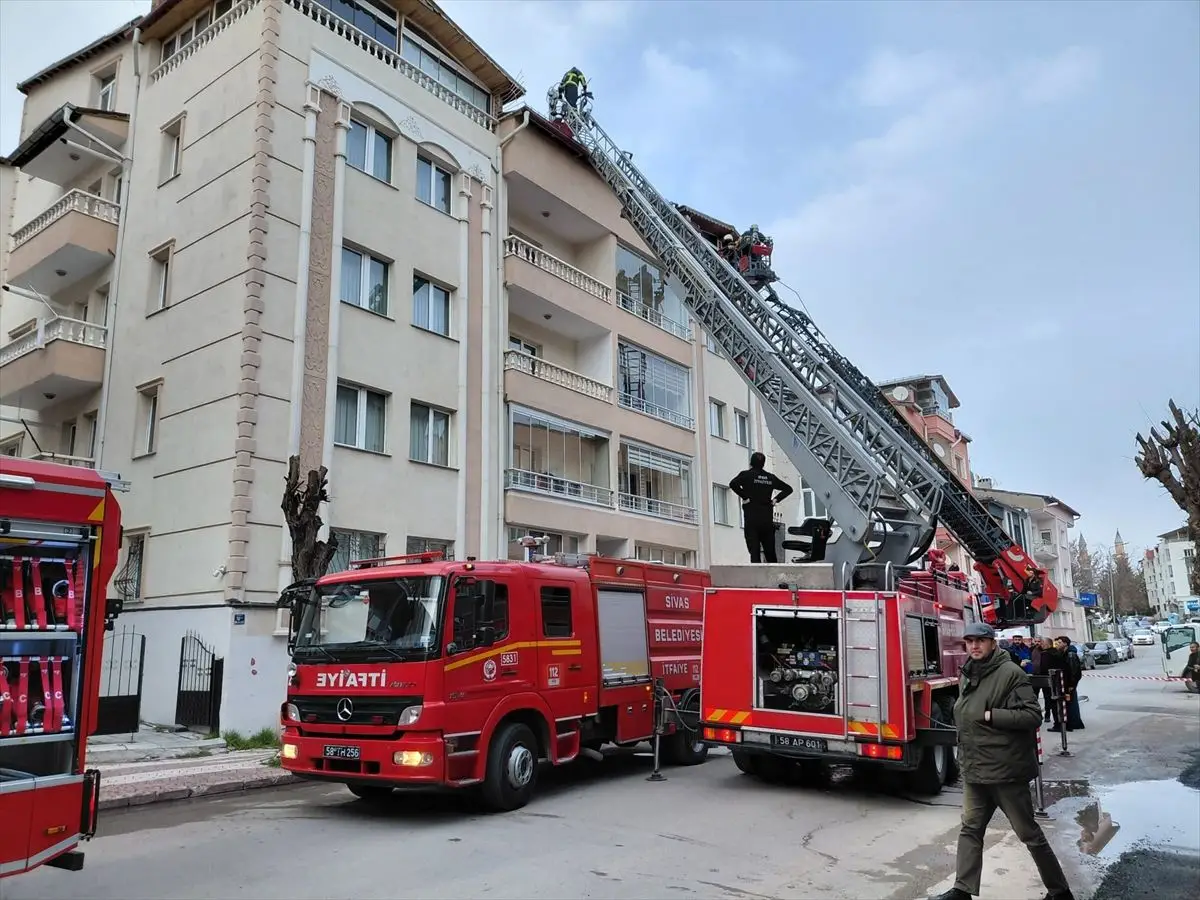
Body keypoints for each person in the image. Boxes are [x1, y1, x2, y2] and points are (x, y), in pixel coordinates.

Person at [931, 622, 1074, 900]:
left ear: (992, 643)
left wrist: (991, 715)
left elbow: (1032, 715)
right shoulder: (968, 674)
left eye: (980, 641)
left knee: (1028, 833)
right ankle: (962, 890)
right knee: (970, 829)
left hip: (1005, 771)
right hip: (975, 770)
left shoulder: (1011, 673)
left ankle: (1060, 892)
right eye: (969, 641)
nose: (974, 646)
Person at [729, 452, 793, 564]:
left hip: (752, 519)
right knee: (770, 553)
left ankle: (757, 577)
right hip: (766, 519)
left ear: (751, 462)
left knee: (754, 552)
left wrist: (745, 496)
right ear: (763, 463)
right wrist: (775, 500)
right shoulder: (770, 478)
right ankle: (775, 577)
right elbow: (788, 489)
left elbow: (733, 484)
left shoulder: (746, 475)